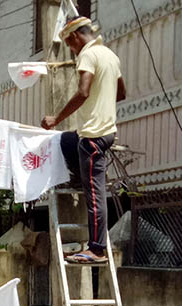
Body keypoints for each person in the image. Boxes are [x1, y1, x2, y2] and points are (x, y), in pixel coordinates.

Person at [41, 16, 126, 265]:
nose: (72, 49)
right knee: (66, 141)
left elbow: (82, 91)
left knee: (95, 194)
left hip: (94, 136)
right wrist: (103, 101)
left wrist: (56, 117)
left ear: (76, 37)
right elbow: (121, 93)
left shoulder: (88, 55)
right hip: (103, 132)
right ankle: (79, 178)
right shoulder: (110, 55)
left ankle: (97, 249)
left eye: (70, 44)